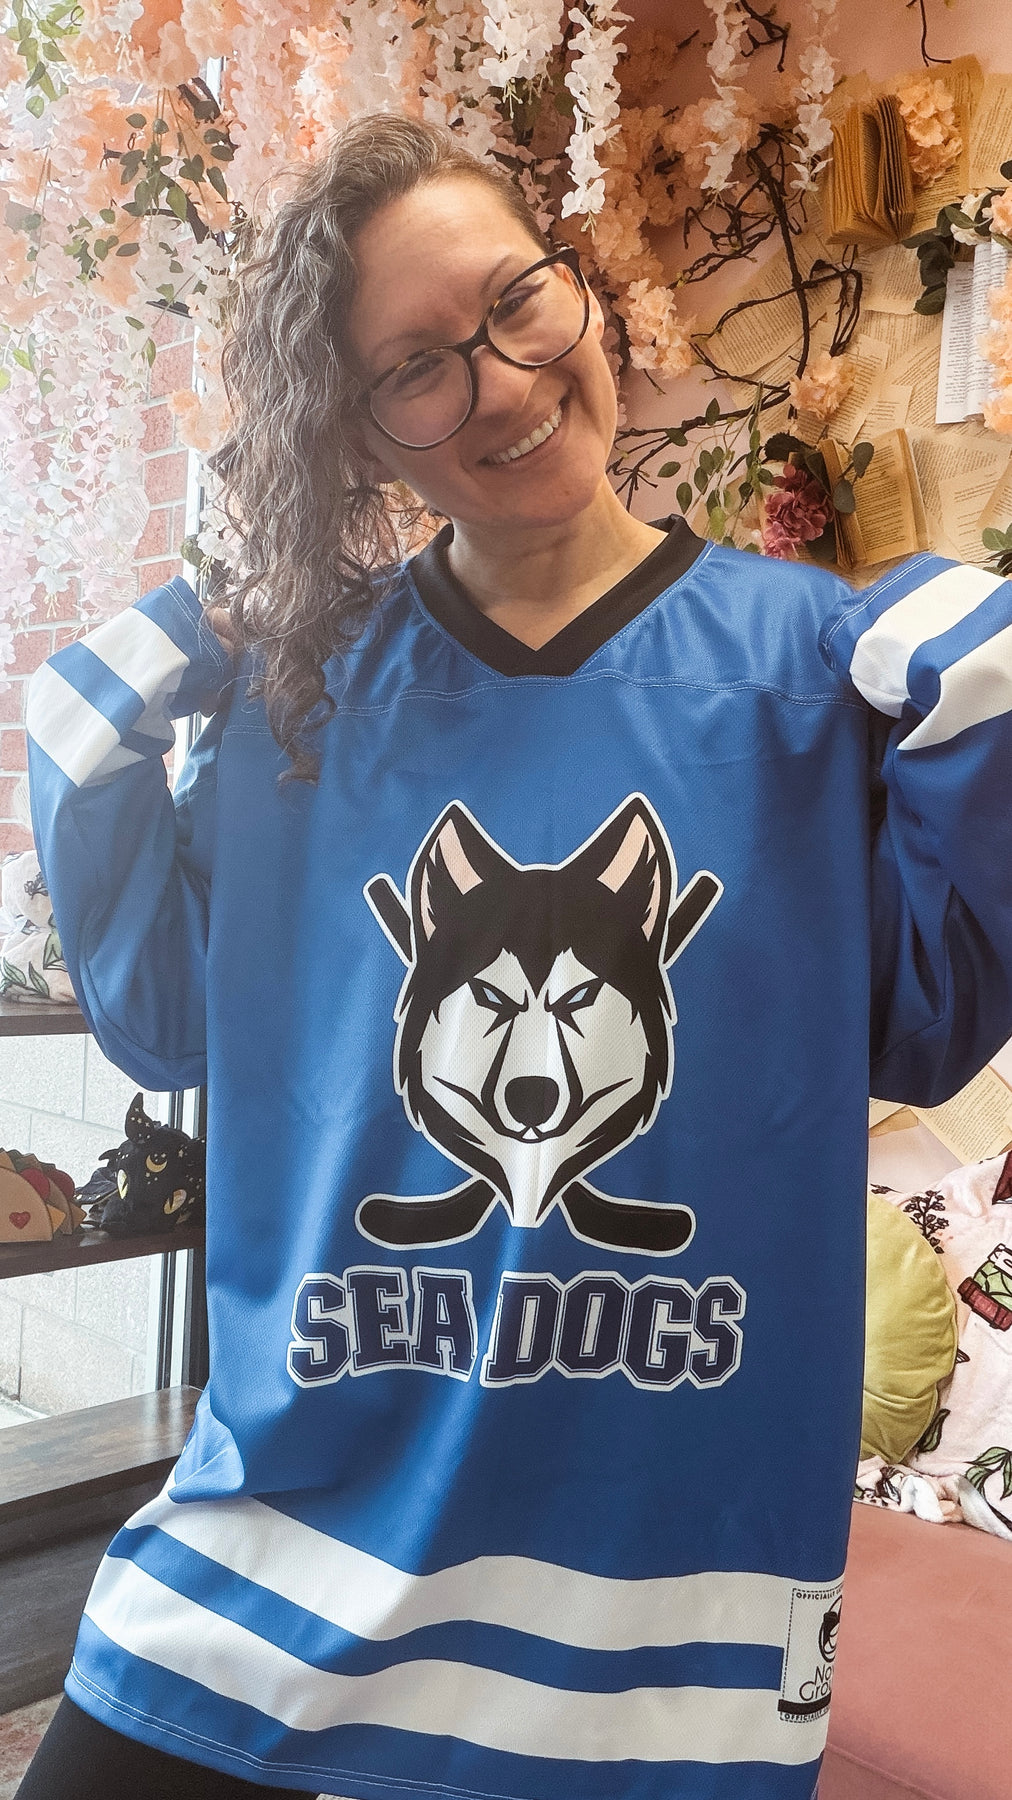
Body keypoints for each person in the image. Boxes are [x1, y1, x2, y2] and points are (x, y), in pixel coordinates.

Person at [17, 111, 1012, 1800]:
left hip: (665, 1613)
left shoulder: (802, 675)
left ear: (583, 293)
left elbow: (929, 1027)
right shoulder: (301, 701)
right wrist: (176, 639)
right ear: (360, 434)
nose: (499, 380)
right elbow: (163, 1023)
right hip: (281, 1551)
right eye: (415, 367)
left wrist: (975, 697)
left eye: (515, 302)